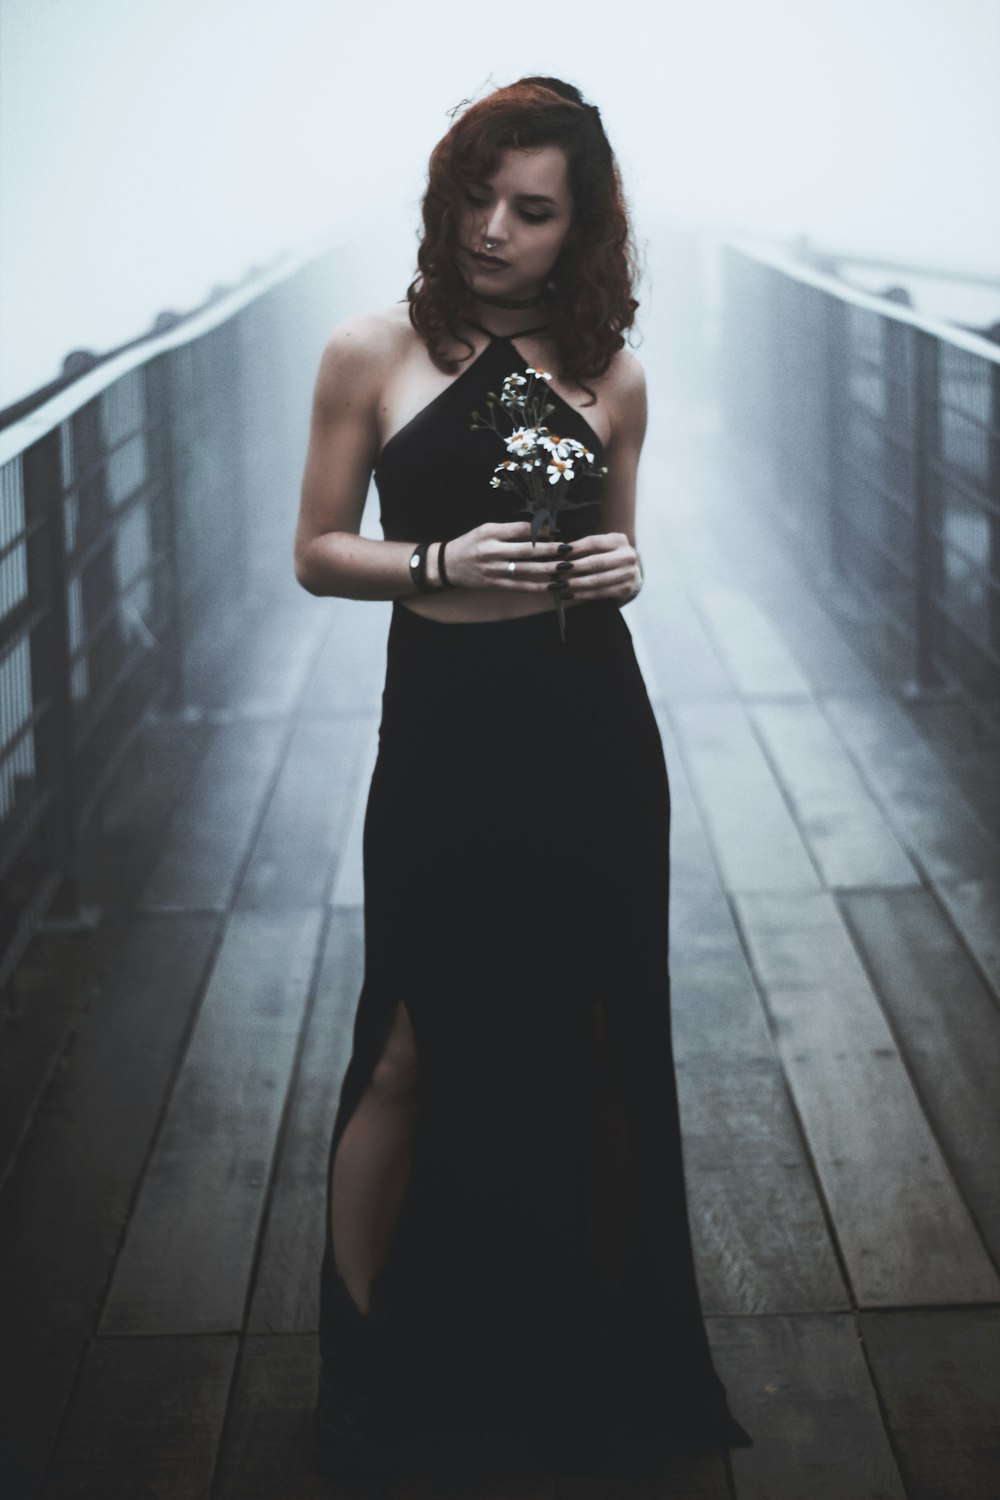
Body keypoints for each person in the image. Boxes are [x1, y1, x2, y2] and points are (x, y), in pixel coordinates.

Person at [293, 75, 753, 1478]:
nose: (495, 230)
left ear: (582, 230)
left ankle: (603, 1354)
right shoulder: (371, 350)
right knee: (406, 1048)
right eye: (478, 199)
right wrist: (435, 560)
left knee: (606, 1039)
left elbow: (615, 557)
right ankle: (361, 1371)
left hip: (587, 731)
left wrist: (619, 566)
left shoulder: (612, 372)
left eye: (532, 211)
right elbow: (316, 550)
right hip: (442, 729)